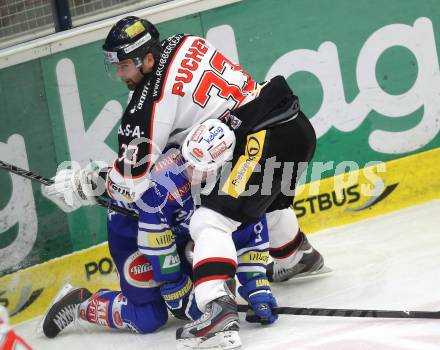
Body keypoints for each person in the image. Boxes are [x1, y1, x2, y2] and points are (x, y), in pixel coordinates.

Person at [42, 16, 321, 349]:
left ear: (147, 58)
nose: (120, 74)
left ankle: (217, 312)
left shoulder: (147, 106)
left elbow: (130, 183)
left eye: (125, 65)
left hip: (258, 139)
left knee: (211, 221)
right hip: (294, 126)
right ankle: (294, 255)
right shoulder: (184, 41)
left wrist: (87, 184)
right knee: (263, 201)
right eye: (114, 65)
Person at [41, 147, 279, 340]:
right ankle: (80, 302)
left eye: (205, 170)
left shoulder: (241, 179)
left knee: (203, 297)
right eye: (190, 165)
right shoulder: (163, 185)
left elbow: (250, 232)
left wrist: (256, 284)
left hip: (178, 232)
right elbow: (157, 243)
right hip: (132, 233)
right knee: (147, 317)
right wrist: (174, 283)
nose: (194, 174)